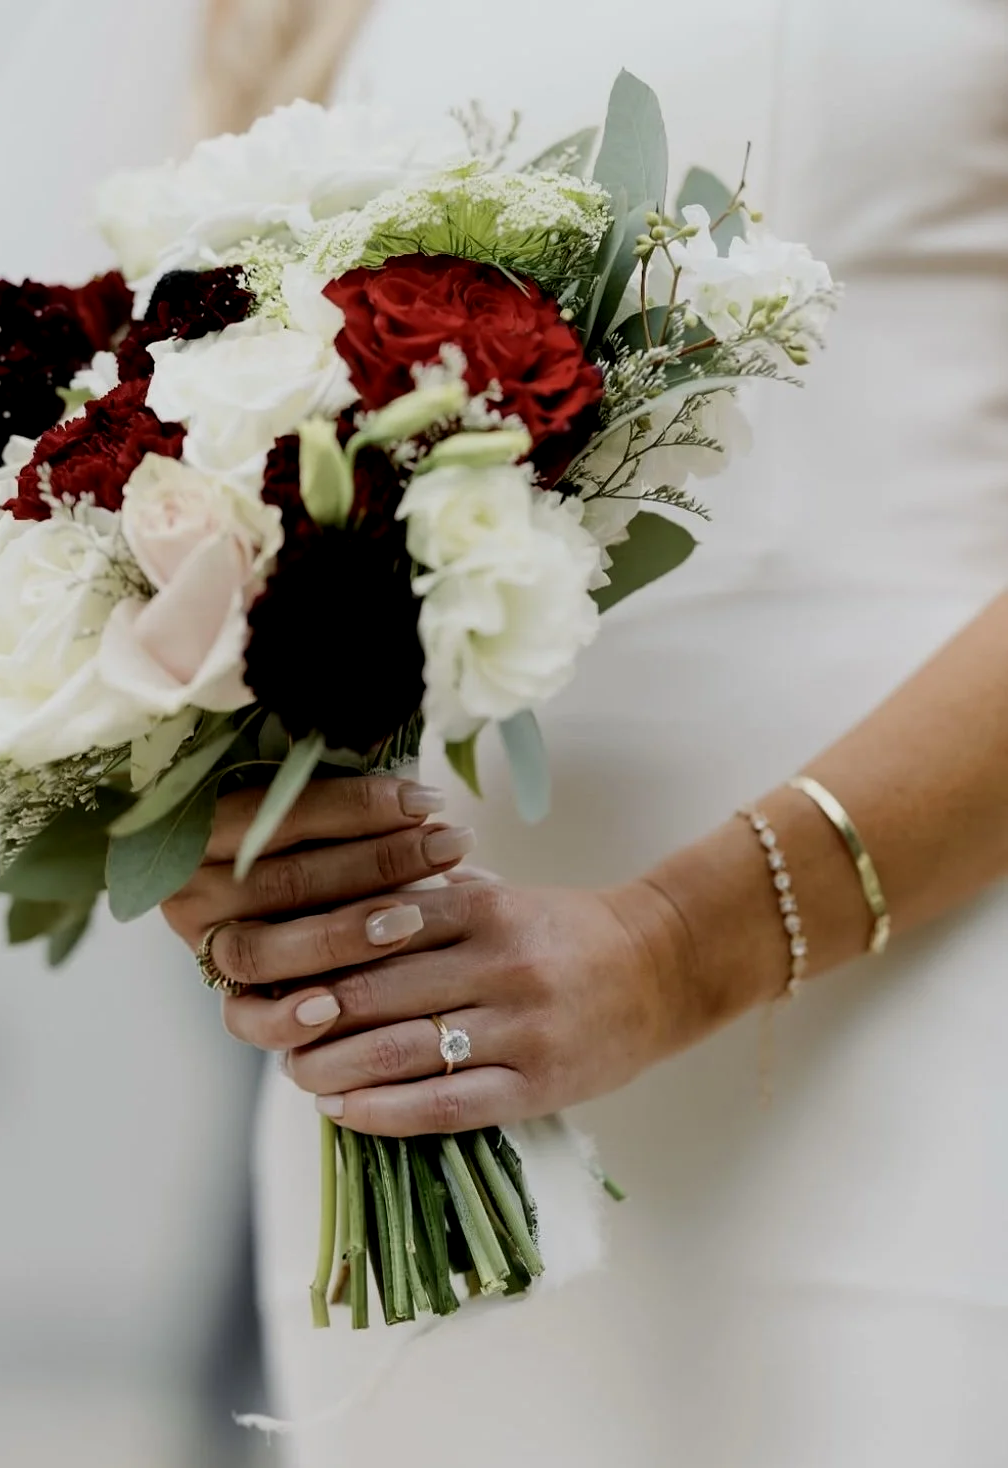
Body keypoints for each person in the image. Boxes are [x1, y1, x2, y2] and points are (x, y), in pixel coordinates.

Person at [163, 1, 1008, 1463]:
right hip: (440, 1083)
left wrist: (684, 945)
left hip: (942, 995)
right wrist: (227, 823)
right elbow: (214, 439)